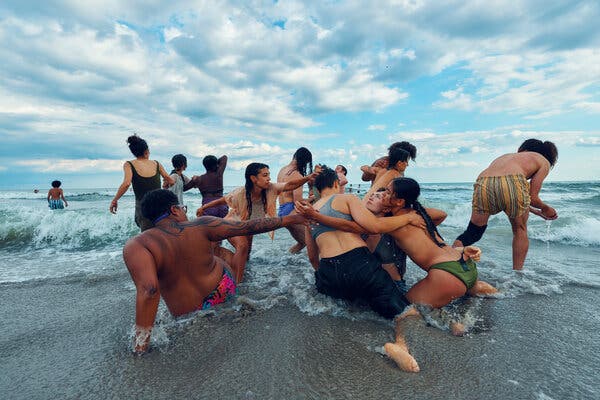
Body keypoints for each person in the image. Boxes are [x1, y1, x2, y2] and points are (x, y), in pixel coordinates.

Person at [296, 176, 497, 372]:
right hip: (462, 262)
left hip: (444, 276)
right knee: (421, 301)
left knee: (407, 311)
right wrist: (412, 215)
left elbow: (363, 227)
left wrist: (317, 217)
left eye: (386, 193)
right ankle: (470, 300)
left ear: (398, 201)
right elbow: (440, 214)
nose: (381, 194)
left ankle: (407, 343)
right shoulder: (416, 214)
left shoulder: (389, 220)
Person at [123, 189, 306, 354]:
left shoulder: (137, 244)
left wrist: (141, 346)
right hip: (224, 292)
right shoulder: (202, 225)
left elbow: (149, 290)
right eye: (183, 208)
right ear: (174, 210)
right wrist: (290, 219)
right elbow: (248, 226)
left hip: (188, 315)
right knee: (219, 256)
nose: (185, 212)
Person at [196, 162, 319, 282]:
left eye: (269, 174)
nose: (269, 178)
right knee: (242, 247)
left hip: (249, 227)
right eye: (265, 175)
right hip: (233, 224)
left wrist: (308, 178)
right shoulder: (241, 193)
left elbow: (290, 185)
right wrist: (204, 207)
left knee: (247, 256)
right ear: (253, 178)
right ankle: (237, 284)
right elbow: (223, 200)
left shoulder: (271, 188)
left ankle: (226, 265)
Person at [453, 139, 559, 270]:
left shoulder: (506, 157)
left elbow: (506, 194)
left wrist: (536, 211)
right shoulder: (543, 161)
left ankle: (451, 259)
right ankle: (517, 274)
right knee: (520, 230)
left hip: (483, 181)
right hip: (513, 181)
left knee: (473, 232)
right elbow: (531, 197)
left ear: (523, 149)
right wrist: (546, 208)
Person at [110, 135, 174, 231]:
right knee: (161, 233)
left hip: (143, 206)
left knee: (147, 235)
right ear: (146, 151)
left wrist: (115, 200)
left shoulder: (129, 164)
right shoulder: (156, 163)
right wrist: (165, 184)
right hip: (160, 205)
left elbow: (126, 183)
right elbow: (170, 180)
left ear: (134, 153)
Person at [276, 147, 314, 253]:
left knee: (302, 243)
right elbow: (298, 200)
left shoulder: (282, 170)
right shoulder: (297, 175)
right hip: (291, 211)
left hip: (282, 211)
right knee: (313, 241)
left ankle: (288, 261)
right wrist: (312, 198)